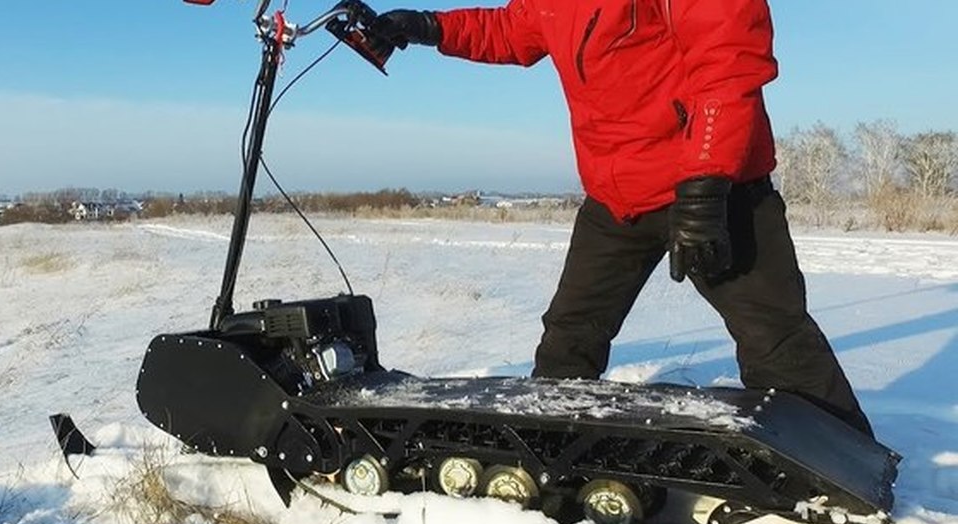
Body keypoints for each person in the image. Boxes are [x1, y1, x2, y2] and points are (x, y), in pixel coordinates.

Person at [372, 0, 874, 436]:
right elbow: (511, 29)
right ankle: (552, 452)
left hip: (713, 192)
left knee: (775, 338)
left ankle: (838, 474)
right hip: (615, 200)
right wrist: (426, 26)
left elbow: (729, 60)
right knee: (570, 337)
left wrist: (706, 182)